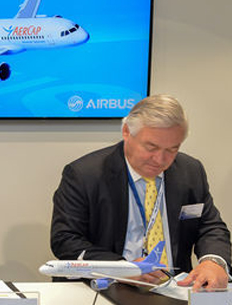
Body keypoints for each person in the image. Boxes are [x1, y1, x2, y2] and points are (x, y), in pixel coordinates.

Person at [51, 94, 231, 292]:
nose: (160, 159)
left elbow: (210, 227)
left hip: (174, 289)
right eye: (151, 147)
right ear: (126, 132)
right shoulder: (85, 175)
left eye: (172, 149)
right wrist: (120, 268)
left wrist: (213, 261)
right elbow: (65, 240)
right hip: (107, 288)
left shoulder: (190, 171)